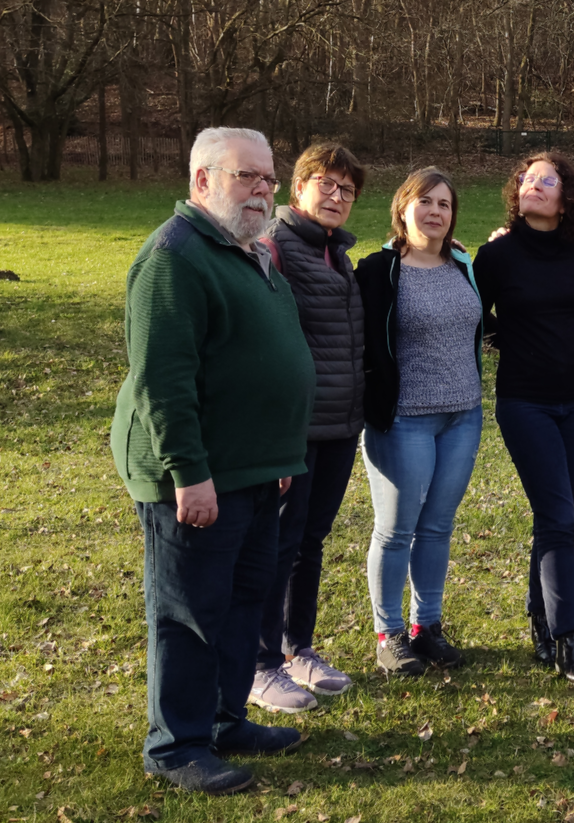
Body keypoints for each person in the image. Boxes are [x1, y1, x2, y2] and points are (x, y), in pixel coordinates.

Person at [111, 126, 314, 794]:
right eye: (246, 176)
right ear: (202, 180)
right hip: (196, 478)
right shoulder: (174, 259)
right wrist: (188, 473)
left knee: (240, 603)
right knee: (191, 612)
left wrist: (277, 454)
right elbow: (162, 382)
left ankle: (226, 720)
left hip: (254, 470)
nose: (263, 190)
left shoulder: (248, 249)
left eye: (268, 178)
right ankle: (177, 745)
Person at [475, 152, 574, 688]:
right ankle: (568, 639)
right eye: (528, 178)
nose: (535, 185)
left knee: (556, 514)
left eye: (547, 180)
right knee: (558, 519)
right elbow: (477, 317)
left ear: (566, 196)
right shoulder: (495, 255)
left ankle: (541, 620)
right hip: (525, 401)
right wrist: (515, 344)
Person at [247, 142, 365, 712]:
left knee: (309, 543)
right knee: (278, 543)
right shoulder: (276, 248)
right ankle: (260, 663)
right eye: (327, 184)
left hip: (339, 426)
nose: (337, 196)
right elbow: (262, 345)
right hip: (293, 431)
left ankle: (300, 650)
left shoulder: (336, 254)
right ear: (299, 189)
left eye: (347, 189)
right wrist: (272, 434)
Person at [353, 168, 484, 677]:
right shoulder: (379, 269)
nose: (435, 212)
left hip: (462, 416)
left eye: (445, 205)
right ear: (403, 208)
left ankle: (425, 626)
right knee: (395, 529)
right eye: (425, 202)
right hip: (403, 419)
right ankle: (388, 633)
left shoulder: (463, 263)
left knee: (437, 526)